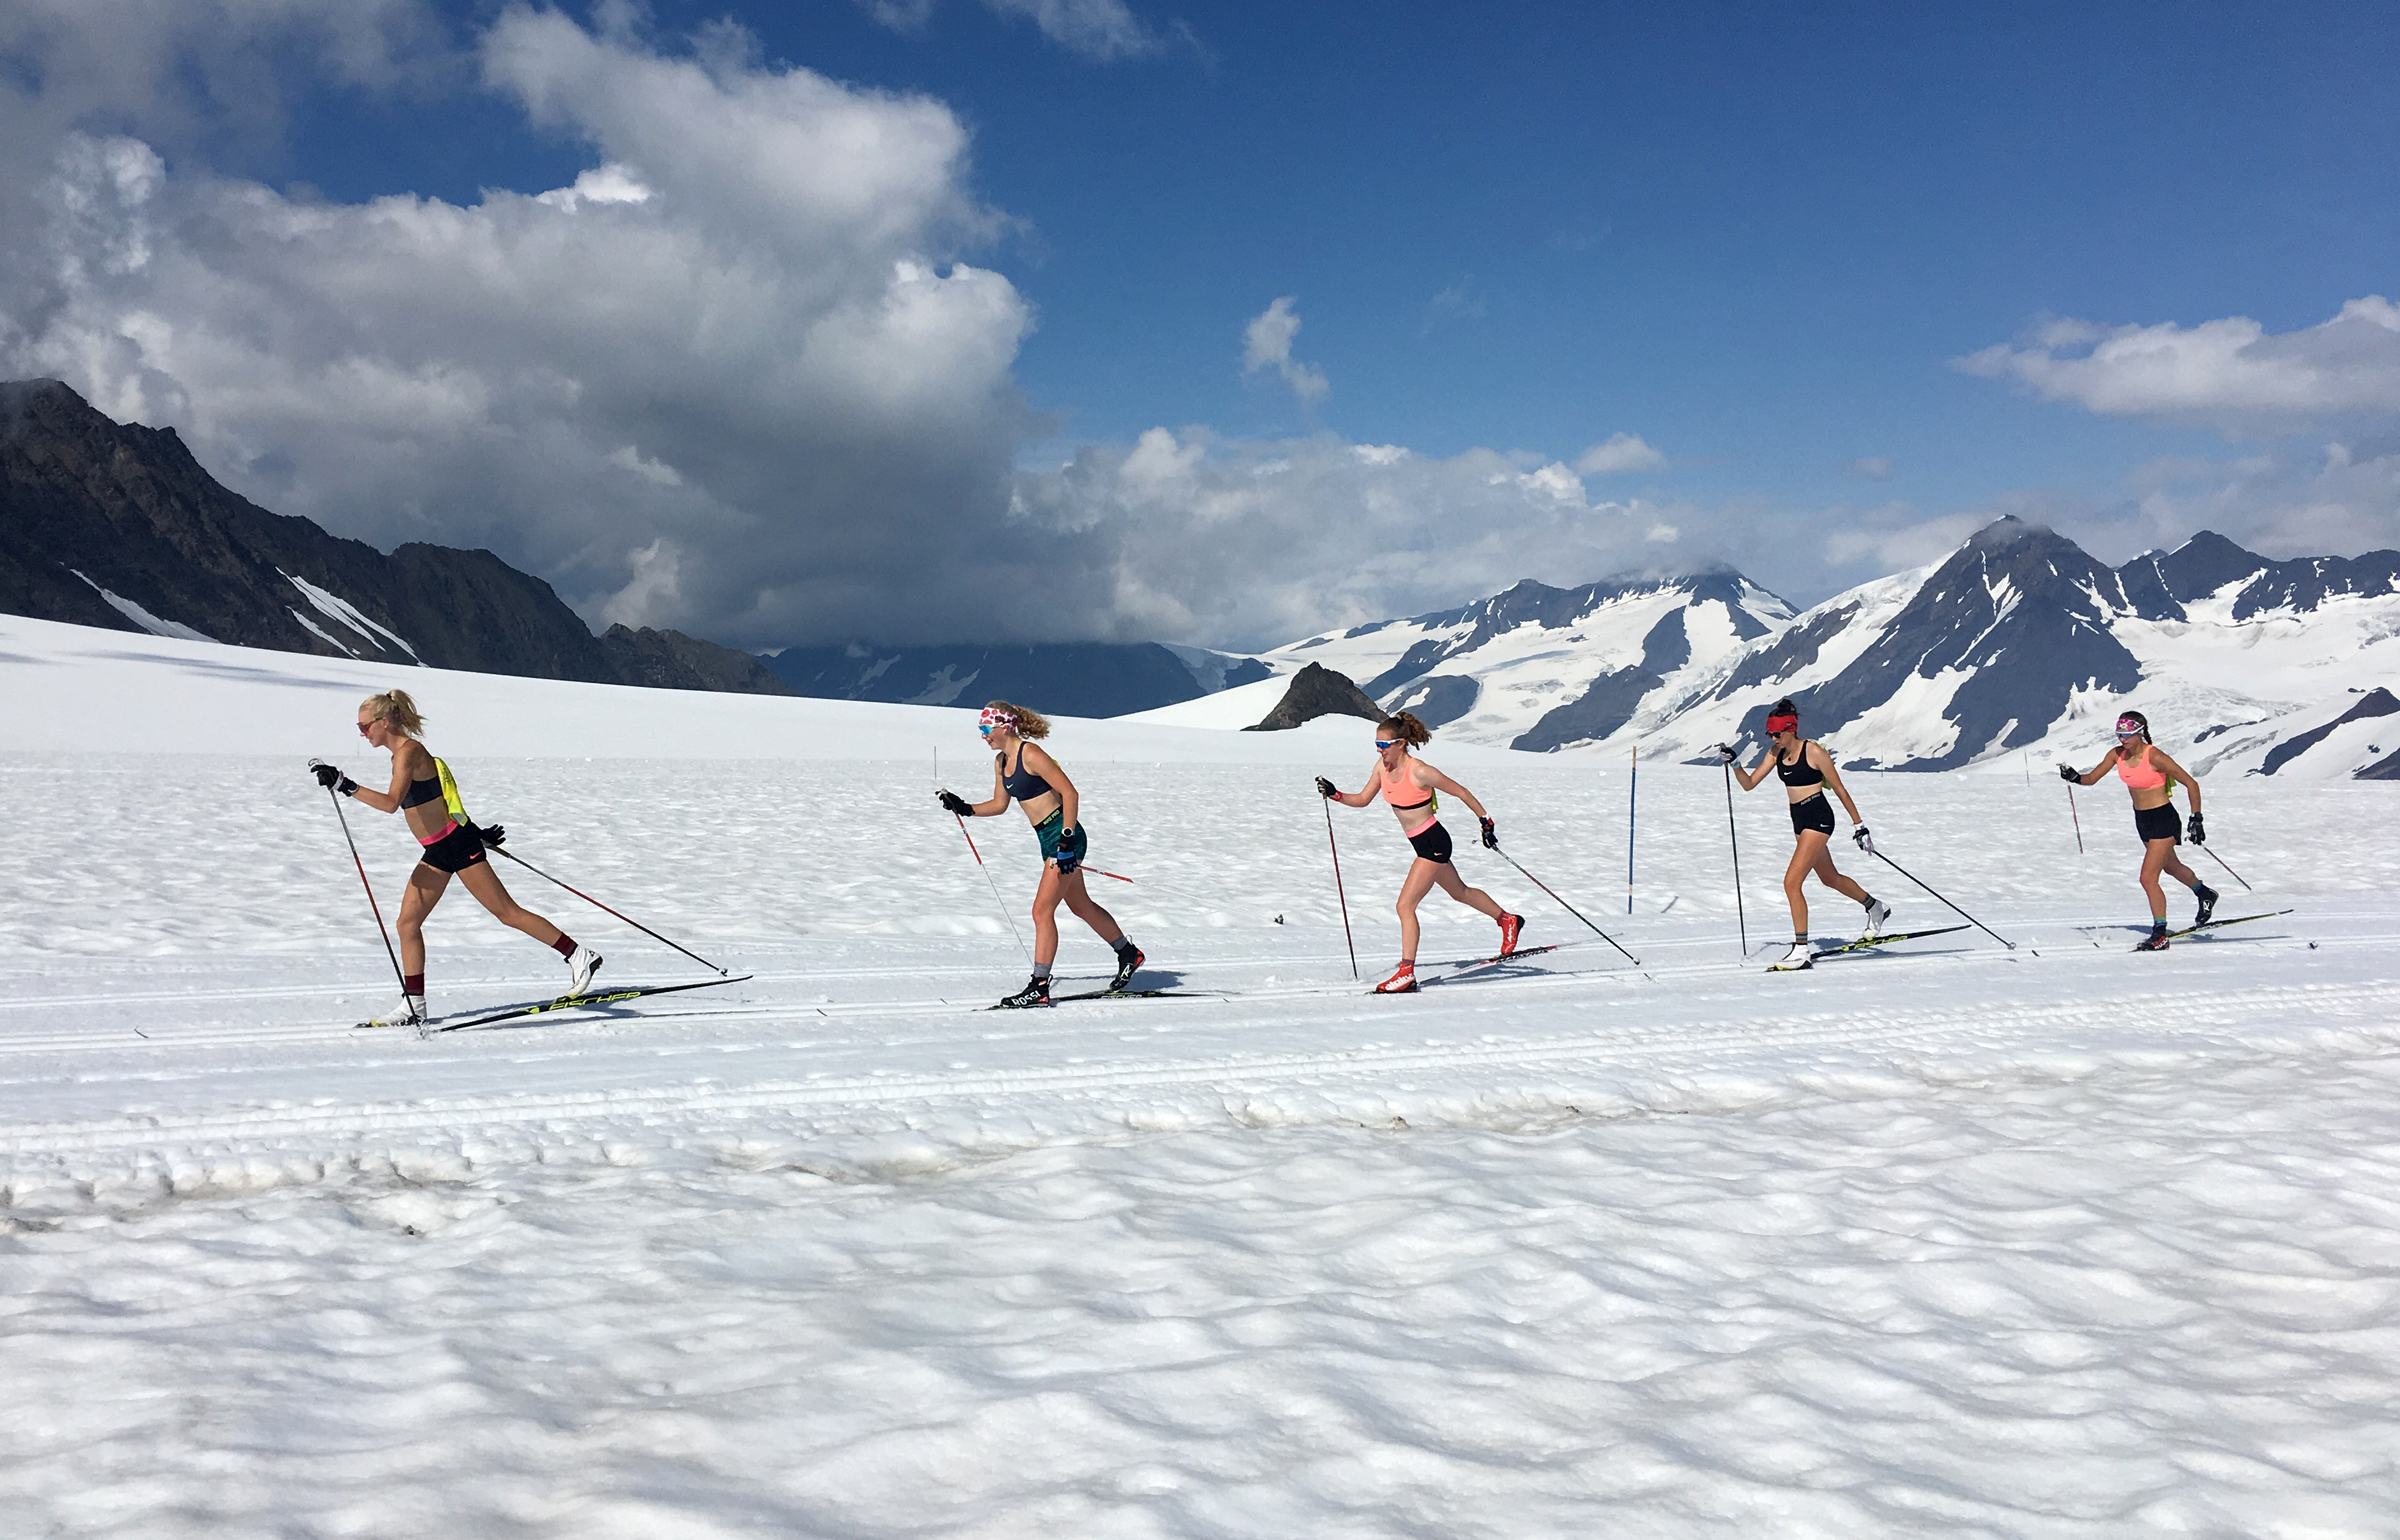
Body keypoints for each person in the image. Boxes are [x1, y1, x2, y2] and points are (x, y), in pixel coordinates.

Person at [311, 689, 599, 1026]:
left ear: (384, 722)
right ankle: (413, 1006)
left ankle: (579, 955)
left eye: (363, 727)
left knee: (507, 913)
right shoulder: (402, 755)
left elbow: (391, 803)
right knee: (407, 923)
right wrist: (475, 828)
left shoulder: (409, 752)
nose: (361, 733)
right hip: (439, 850)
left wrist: (345, 784)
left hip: (456, 846)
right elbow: (445, 795)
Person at [938, 702, 1143, 1007]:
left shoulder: (1030, 754)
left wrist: (1066, 839)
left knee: (1041, 911)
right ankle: (1128, 953)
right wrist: (965, 808)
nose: (983, 736)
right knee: (1081, 906)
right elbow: (999, 804)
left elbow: (1070, 793)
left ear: (1004, 726)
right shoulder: (1001, 761)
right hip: (1047, 838)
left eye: (985, 729)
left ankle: (1039, 986)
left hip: (1064, 834)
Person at [1317, 711, 1521, 994]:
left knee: (1404, 906)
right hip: (1421, 844)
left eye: (1384, 745)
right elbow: (1363, 800)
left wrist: (1485, 821)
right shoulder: (1382, 768)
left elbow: (1461, 791)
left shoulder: (1421, 771)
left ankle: (1405, 973)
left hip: (1434, 843)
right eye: (1377, 744)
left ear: (1401, 743)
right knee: (1459, 892)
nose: (1379, 749)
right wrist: (1335, 793)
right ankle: (1508, 920)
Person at [1720, 698, 1890, 971]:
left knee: (1791, 883)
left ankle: (1801, 950)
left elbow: (1840, 789)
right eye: (1770, 734)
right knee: (1830, 878)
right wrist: (1736, 763)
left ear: (1791, 729)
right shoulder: (1775, 753)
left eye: (1777, 733)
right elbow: (1749, 785)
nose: (1773, 738)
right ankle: (1875, 907)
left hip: (1819, 819)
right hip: (1799, 822)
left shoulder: (1813, 752)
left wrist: (1859, 826)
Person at [2059, 710, 2215, 951]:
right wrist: (2075, 777)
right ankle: (2204, 893)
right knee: (2171, 867)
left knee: (2147, 878)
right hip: (2142, 820)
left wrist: (2196, 818)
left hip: (2163, 819)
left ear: (2140, 732)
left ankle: (2160, 934)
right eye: (2119, 734)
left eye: (2127, 734)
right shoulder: (2116, 755)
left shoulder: (2155, 757)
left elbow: (2191, 783)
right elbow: (2091, 779)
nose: (2122, 739)